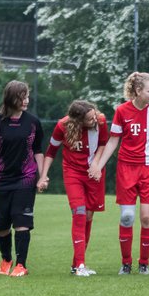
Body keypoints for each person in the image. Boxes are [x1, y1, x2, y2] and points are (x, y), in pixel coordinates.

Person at [89, 71, 149, 275]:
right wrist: (98, 165)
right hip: (126, 168)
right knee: (126, 217)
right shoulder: (122, 111)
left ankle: (144, 262)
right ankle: (126, 262)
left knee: (146, 218)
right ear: (138, 90)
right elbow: (113, 141)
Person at [0, 80, 46, 277]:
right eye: (22, 96)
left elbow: (37, 151)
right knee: (1, 227)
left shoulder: (33, 122)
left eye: (27, 96)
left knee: (22, 221)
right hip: (0, 180)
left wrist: (42, 176)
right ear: (11, 98)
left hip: (25, 179)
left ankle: (21, 265)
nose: (26, 100)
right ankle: (6, 259)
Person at [37, 100, 108, 276]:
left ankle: (76, 264)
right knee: (79, 213)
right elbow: (51, 151)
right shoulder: (62, 126)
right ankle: (81, 266)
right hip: (73, 173)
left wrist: (96, 165)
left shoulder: (101, 120)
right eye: (89, 119)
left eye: (94, 116)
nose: (94, 120)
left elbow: (103, 144)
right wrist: (43, 176)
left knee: (89, 215)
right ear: (77, 120)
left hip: (94, 172)